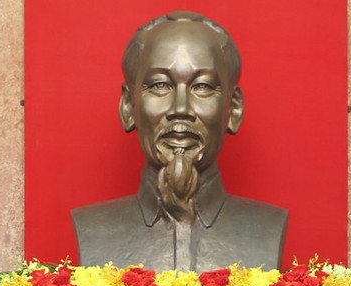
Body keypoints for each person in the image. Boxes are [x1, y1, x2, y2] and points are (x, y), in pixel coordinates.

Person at [71, 11, 288, 272]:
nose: (181, 108)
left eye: (202, 86)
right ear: (129, 106)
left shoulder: (267, 227)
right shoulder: (94, 229)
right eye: (160, 85)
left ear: (233, 109)